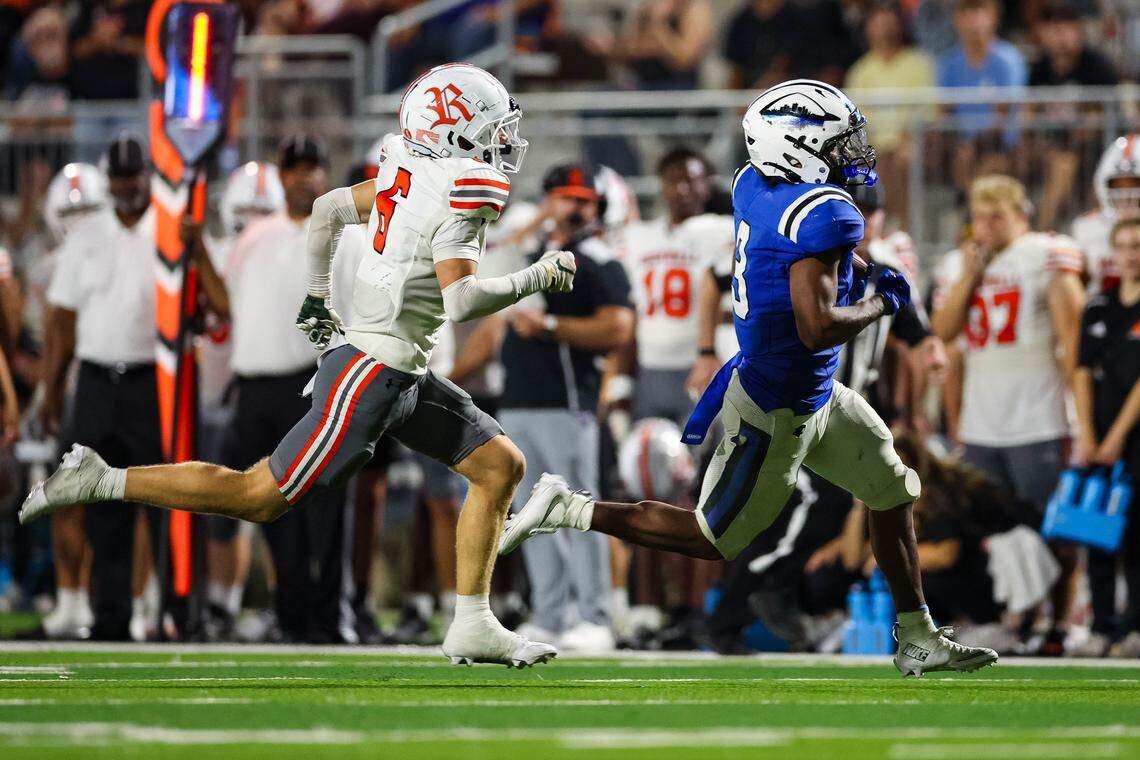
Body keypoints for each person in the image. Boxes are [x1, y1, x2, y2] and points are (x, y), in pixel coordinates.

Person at [21, 63, 575, 667]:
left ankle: (471, 620)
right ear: (457, 128)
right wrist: (537, 276)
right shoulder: (465, 186)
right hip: (372, 371)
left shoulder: (405, 168)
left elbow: (328, 209)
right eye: (492, 126)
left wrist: (317, 292)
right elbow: (461, 299)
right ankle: (101, 477)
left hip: (398, 367)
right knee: (255, 494)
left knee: (500, 466)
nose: (501, 140)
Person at [502, 80, 998, 676]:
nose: (853, 153)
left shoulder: (752, 183)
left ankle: (918, 637)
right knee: (709, 539)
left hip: (817, 393)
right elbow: (816, 327)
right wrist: (881, 303)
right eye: (840, 142)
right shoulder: (827, 213)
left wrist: (863, 272)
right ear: (798, 146)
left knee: (893, 489)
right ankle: (569, 507)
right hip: (775, 405)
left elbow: (796, 261)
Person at [456, 163, 634, 651]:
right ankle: (552, 613)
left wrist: (553, 329)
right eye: (564, 197)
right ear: (547, 201)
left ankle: (594, 615)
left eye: (584, 199)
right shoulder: (532, 253)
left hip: (566, 400)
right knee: (531, 512)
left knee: (577, 507)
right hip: (518, 400)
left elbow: (619, 328)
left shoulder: (597, 259)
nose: (574, 207)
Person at [931, 174, 1085, 654]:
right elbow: (943, 331)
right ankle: (1014, 620)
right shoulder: (960, 263)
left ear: (1023, 215)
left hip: (1039, 416)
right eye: (979, 216)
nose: (986, 226)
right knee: (991, 533)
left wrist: (1080, 414)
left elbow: (1073, 338)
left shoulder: (1047, 252)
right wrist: (972, 274)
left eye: (997, 215)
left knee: (1051, 527)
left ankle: (1059, 624)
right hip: (983, 420)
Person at [38, 134, 161, 641]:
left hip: (151, 380)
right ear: (108, 179)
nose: (127, 185)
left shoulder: (169, 230)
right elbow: (62, 322)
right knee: (98, 500)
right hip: (95, 381)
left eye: (134, 175)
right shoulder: (86, 235)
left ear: (146, 176)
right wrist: (51, 390)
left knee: (159, 497)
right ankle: (108, 613)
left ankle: (161, 609)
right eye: (120, 176)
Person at [33, 161, 107, 640]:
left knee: (109, 498)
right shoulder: (44, 269)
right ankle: (71, 598)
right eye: (70, 209)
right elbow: (48, 341)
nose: (78, 218)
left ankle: (104, 598)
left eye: (88, 208)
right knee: (66, 498)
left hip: (106, 386)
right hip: (69, 388)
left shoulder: (114, 254)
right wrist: (48, 391)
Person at [1071, 217, 1140, 657]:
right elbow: (1080, 371)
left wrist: (1115, 436)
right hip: (1099, 435)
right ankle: (1101, 625)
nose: (1132, 253)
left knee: (1134, 534)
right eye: (1125, 245)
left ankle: (1134, 627)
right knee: (1093, 530)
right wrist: (1088, 433)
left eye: (1139, 245)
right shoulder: (1098, 305)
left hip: (1133, 438)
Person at [844, 2, 935, 224]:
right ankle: (877, 230)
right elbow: (854, 122)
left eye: (889, 24)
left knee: (902, 160)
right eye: (878, 24)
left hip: (913, 144)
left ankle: (905, 228)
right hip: (873, 147)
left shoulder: (919, 64)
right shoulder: (860, 71)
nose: (884, 30)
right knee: (873, 164)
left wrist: (907, 138)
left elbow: (930, 111)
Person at [1073, 134, 1139, 297]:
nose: (1126, 194)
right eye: (1118, 185)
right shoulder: (1087, 227)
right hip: (1102, 314)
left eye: (1134, 184)